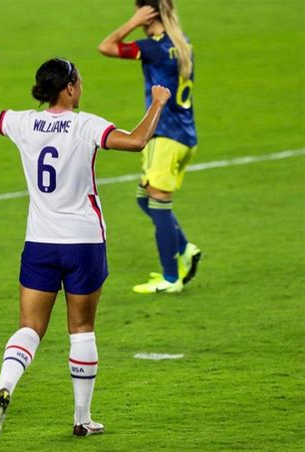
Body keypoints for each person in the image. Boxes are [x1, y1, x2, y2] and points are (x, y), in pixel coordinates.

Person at [0, 41, 171, 446]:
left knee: (29, 329)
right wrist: (157, 103)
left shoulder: (23, 123)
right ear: (70, 88)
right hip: (83, 243)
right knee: (81, 329)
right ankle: (82, 419)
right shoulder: (85, 125)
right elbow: (136, 141)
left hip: (40, 242)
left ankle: (6, 386)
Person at [98, 0, 201, 294]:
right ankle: (184, 249)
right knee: (145, 198)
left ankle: (171, 279)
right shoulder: (182, 43)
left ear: (148, 12)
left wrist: (131, 24)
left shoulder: (152, 47)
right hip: (185, 136)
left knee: (158, 201)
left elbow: (106, 46)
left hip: (165, 137)